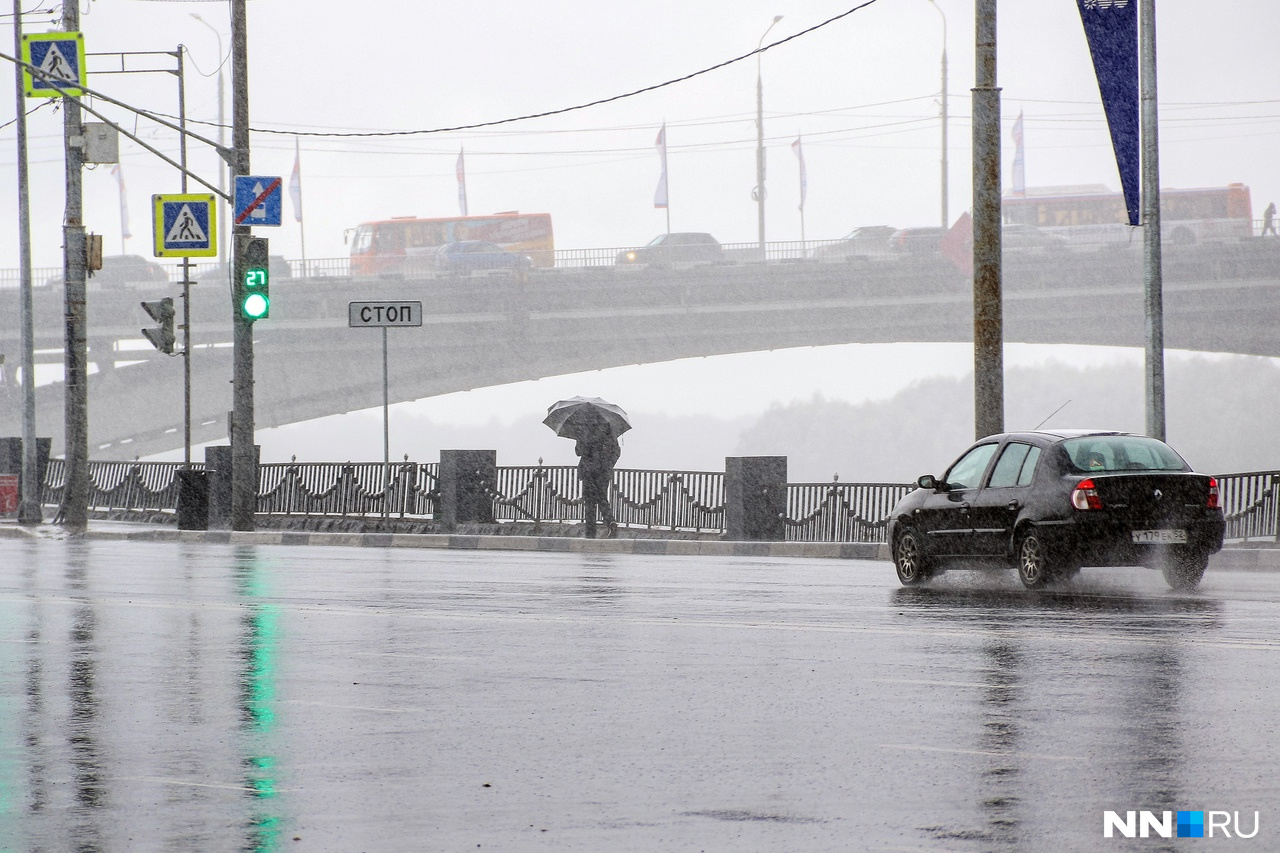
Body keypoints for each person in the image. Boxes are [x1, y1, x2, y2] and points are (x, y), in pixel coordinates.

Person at [573, 410, 621, 538]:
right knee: (601, 498)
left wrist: (580, 438)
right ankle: (610, 521)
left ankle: (590, 532)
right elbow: (616, 452)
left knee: (589, 503)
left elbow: (578, 452)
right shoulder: (609, 431)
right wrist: (608, 465)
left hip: (588, 471)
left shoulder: (584, 430)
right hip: (603, 472)